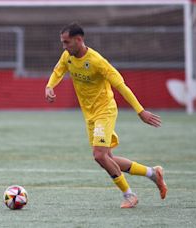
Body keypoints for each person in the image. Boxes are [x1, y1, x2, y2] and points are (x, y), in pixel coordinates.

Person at [45, 22, 167, 208]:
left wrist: (140, 111)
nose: (64, 46)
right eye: (63, 42)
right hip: (90, 115)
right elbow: (58, 70)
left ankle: (129, 195)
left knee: (99, 156)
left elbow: (121, 86)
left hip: (105, 111)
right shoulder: (67, 56)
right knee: (108, 158)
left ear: (79, 40)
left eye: (67, 42)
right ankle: (153, 173)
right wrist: (49, 86)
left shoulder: (97, 61)